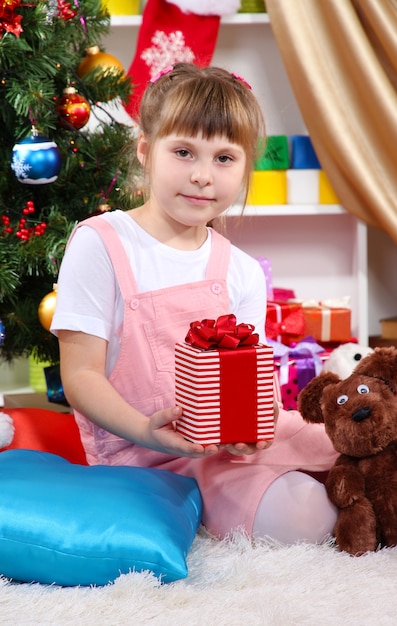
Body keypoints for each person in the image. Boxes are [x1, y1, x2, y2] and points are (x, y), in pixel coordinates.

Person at [51, 63, 338, 544]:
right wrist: (146, 429)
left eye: (224, 158)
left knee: (346, 450)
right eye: (184, 152)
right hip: (141, 456)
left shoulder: (240, 269)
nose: (203, 176)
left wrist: (255, 429)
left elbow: (253, 378)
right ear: (146, 149)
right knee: (308, 517)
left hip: (227, 447)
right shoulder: (101, 243)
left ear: (246, 166)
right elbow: (80, 376)